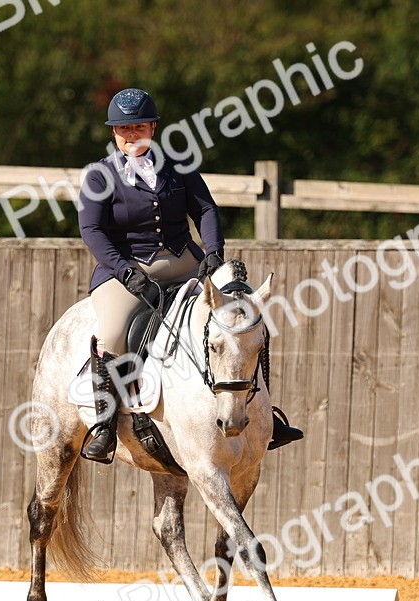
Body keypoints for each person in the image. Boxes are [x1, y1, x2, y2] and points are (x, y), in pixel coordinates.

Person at [76, 87, 303, 463]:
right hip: (127, 268)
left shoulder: (177, 164)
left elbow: (206, 210)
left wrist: (213, 253)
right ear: (114, 133)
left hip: (183, 259)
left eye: (139, 127)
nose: (132, 135)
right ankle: (103, 426)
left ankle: (266, 416)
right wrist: (123, 270)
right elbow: (93, 231)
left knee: (239, 314)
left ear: (153, 127)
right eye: (123, 129)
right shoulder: (99, 176)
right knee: (113, 330)